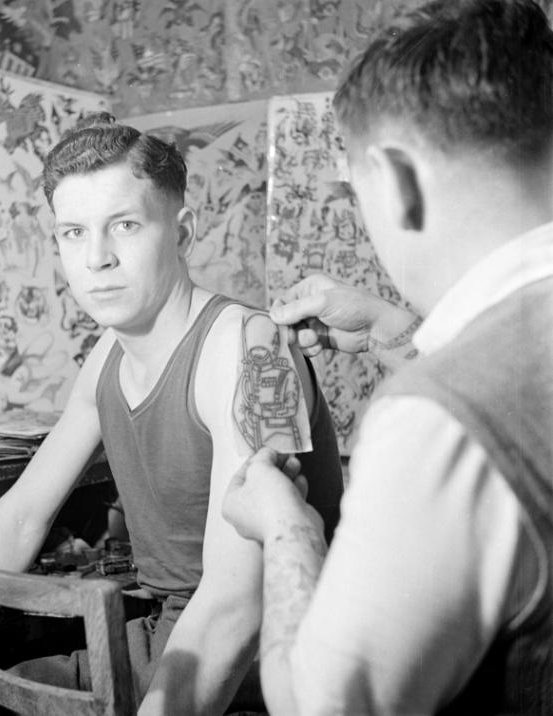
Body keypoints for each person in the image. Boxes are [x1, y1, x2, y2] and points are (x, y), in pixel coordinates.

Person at [0, 113, 343, 716]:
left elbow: (237, 603)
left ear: (183, 232)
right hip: (167, 629)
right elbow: (17, 521)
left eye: (125, 226)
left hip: (282, 653)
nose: (96, 259)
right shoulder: (109, 356)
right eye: (72, 233)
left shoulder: (252, 347)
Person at [223, 1, 553, 714]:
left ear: (398, 178)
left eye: (355, 193)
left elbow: (322, 707)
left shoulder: (431, 420)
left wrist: (286, 530)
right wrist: (390, 330)